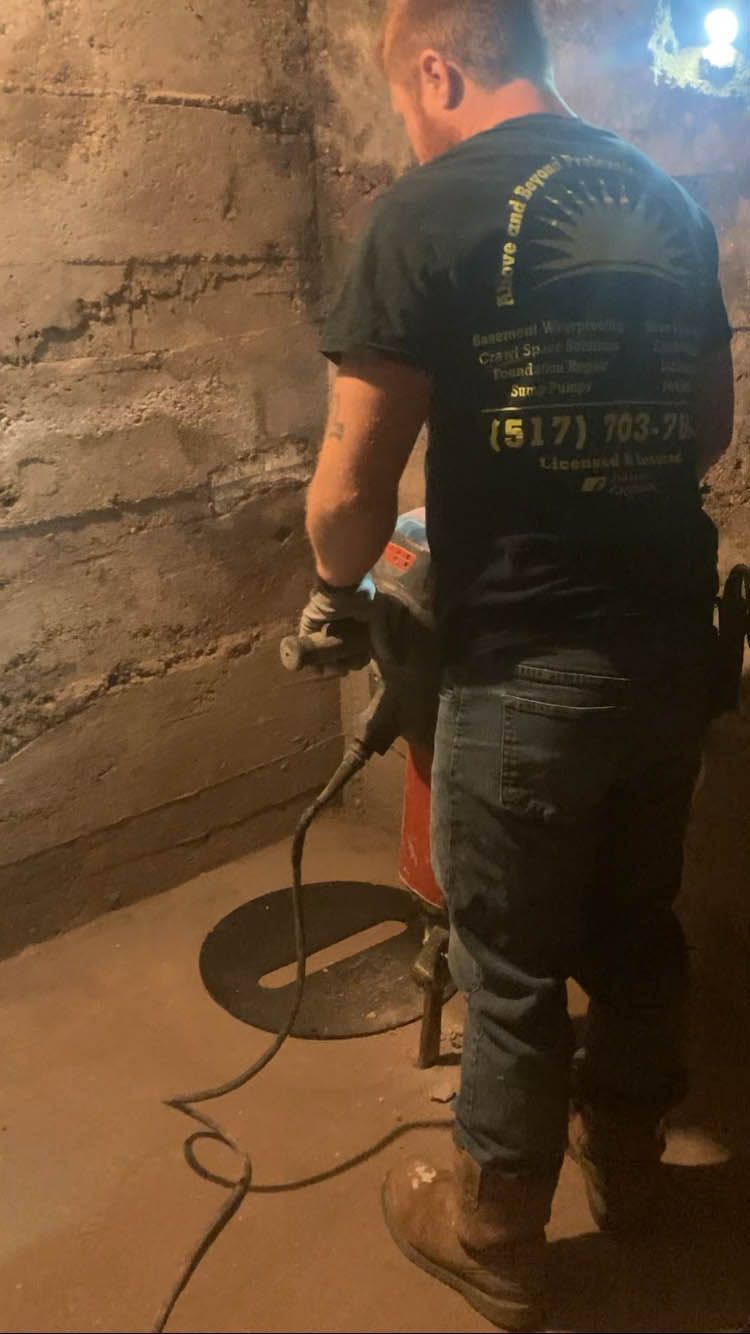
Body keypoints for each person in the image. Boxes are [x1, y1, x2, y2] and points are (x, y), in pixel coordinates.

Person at [297, 1, 735, 1328]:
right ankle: (632, 1168)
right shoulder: (662, 198)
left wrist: (331, 592)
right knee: (635, 923)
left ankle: (494, 1220)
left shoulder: (425, 211)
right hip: (669, 647)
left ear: (434, 68)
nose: (409, 123)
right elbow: (704, 430)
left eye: (405, 98)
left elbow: (349, 490)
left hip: (525, 657)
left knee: (510, 955)